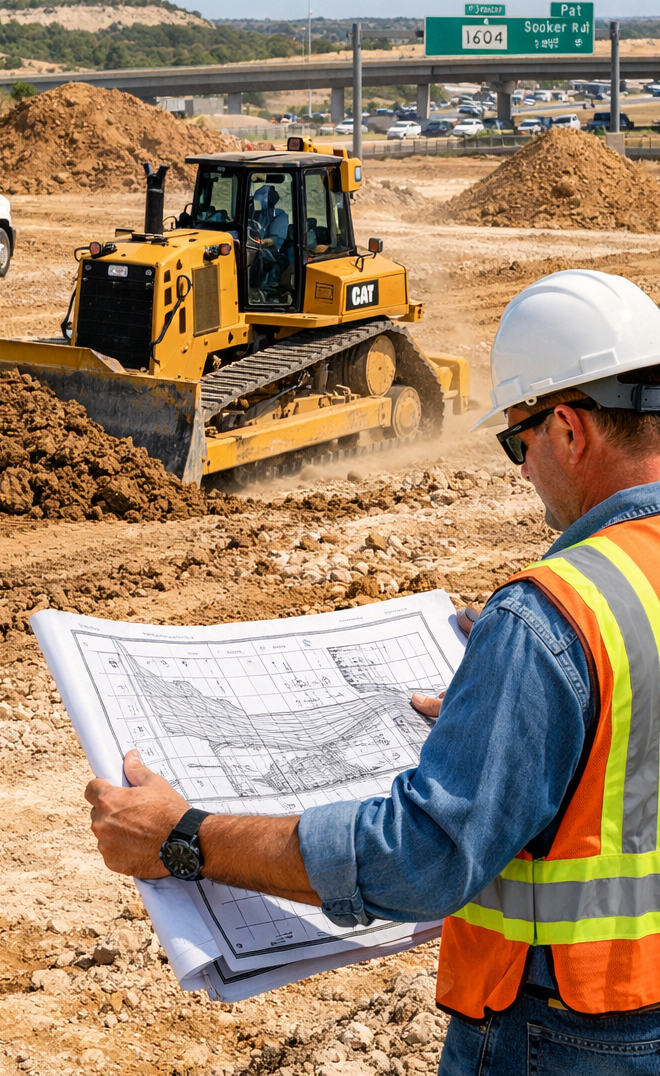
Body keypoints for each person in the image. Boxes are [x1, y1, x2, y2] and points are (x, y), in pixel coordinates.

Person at [85, 270, 660, 1073]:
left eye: (516, 443)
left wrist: (187, 838)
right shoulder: (593, 609)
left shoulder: (552, 619)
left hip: (570, 1038)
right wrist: (512, 702)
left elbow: (425, 857)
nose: (523, 472)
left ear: (568, 429)